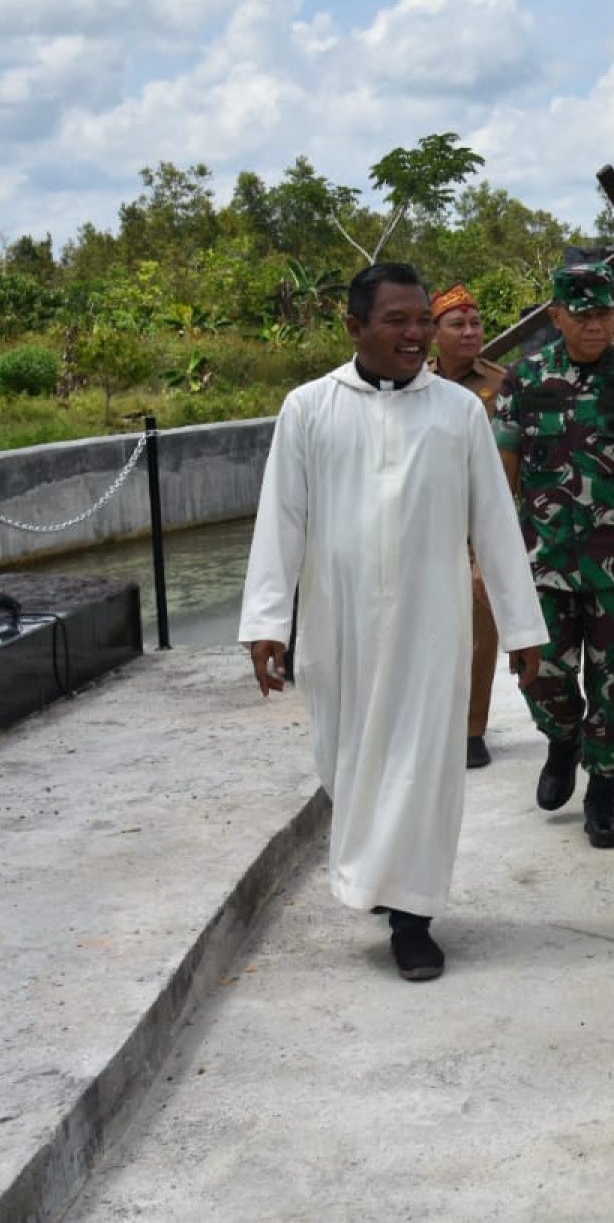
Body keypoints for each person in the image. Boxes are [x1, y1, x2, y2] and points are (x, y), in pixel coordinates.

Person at [240, 262, 548, 981]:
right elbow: (281, 518)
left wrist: (522, 627)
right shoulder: (309, 408)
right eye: (398, 321)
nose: (416, 334)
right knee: (348, 761)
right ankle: (388, 876)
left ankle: (415, 917)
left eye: (422, 320)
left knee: (424, 768)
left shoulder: (459, 412)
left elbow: (496, 526)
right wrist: (266, 622)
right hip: (335, 623)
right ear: (355, 327)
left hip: (431, 626)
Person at [500, 263, 614, 850]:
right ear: (556, 316)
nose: (596, 325)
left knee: (612, 682)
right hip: (544, 558)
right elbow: (500, 474)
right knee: (542, 673)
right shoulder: (524, 380)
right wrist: (492, 554)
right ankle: (562, 739)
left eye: (605, 314)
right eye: (582, 315)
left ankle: (602, 795)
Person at [427, 282, 518, 770]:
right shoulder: (415, 383)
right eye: (457, 324)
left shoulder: (503, 385)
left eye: (475, 322)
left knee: (481, 631)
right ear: (435, 332)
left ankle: (471, 728)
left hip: (480, 525)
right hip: (428, 525)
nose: (469, 332)